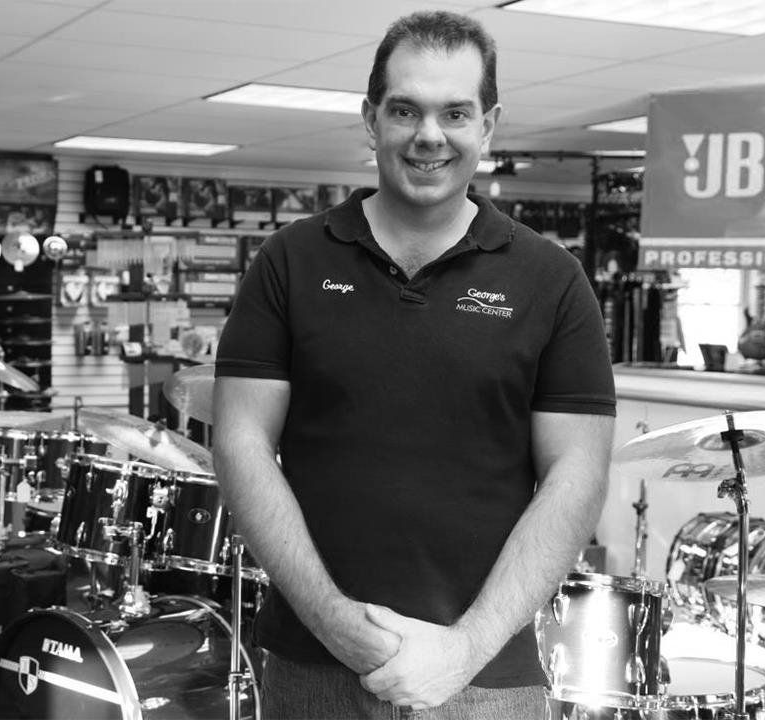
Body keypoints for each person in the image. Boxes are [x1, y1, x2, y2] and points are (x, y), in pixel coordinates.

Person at [212, 10, 616, 719]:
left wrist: (464, 648)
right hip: (312, 664)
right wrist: (337, 623)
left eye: (456, 112)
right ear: (371, 119)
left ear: (488, 124)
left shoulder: (551, 279)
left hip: (489, 674)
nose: (430, 135)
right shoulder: (290, 262)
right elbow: (241, 442)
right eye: (406, 110)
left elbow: (576, 475)